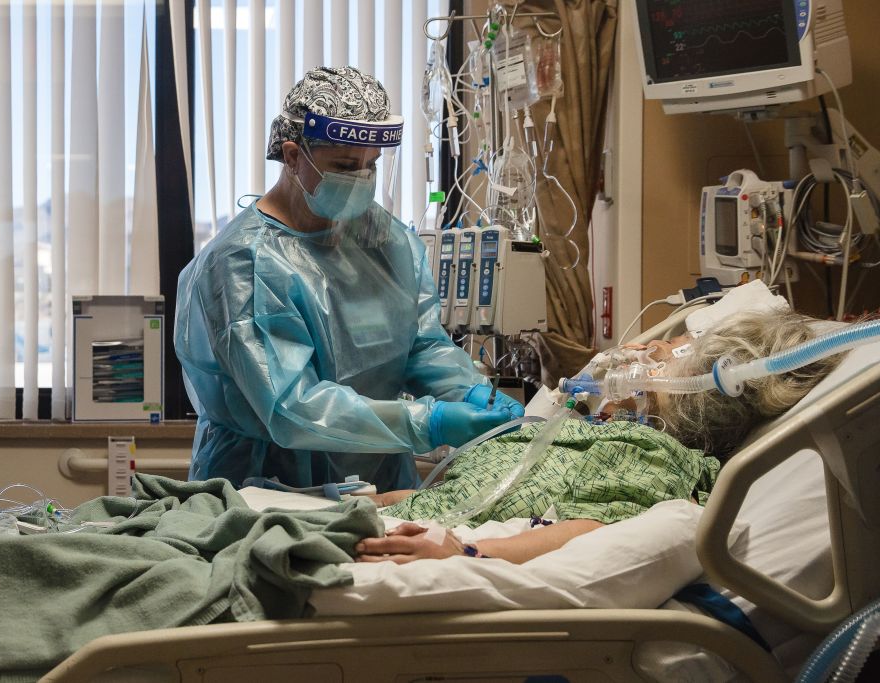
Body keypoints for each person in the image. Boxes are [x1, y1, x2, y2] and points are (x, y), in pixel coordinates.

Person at [175, 66, 522, 493]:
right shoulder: (244, 264)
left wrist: (468, 391)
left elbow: (421, 345)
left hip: (381, 480)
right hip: (269, 486)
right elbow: (291, 406)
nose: (360, 179)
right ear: (292, 155)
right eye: (343, 165)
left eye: (370, 166)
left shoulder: (382, 239)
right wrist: (427, 422)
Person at [355, 310, 841, 563]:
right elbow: (457, 493)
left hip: (412, 547)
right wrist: (354, 501)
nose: (645, 349)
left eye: (667, 351)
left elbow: (591, 531)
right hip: (380, 518)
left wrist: (466, 553)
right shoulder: (592, 430)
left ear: (695, 388)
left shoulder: (650, 455)